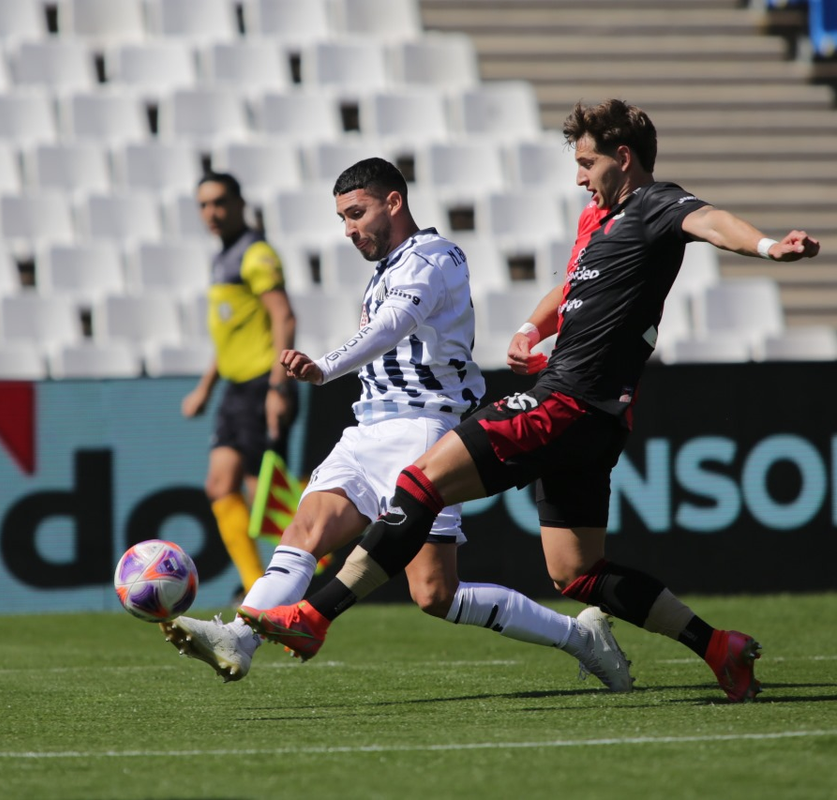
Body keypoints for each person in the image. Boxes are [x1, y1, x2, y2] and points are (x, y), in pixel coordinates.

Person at [239, 101, 822, 704]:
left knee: (419, 482)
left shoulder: (655, 206)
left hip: (566, 402)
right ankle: (718, 647)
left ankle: (314, 617)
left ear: (624, 158)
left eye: (587, 162)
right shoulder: (596, 219)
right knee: (577, 571)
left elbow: (713, 221)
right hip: (596, 418)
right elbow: (573, 286)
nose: (579, 176)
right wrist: (531, 326)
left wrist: (768, 246)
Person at [162, 157, 632, 694]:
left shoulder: (436, 257)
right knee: (304, 532)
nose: (349, 230)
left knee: (435, 593)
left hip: (424, 432)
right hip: (366, 430)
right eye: (342, 219)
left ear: (394, 202)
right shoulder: (385, 270)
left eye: (357, 214)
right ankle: (239, 640)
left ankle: (582, 638)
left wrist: (325, 366)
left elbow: (394, 325)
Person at [182, 172, 297, 603]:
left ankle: (314, 558)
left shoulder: (255, 253)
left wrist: (278, 388)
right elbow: (232, 335)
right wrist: (205, 388)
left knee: (264, 497)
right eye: (203, 205)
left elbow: (283, 317)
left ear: (239, 203)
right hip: (235, 389)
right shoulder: (223, 258)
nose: (211, 213)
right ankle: (256, 588)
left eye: (219, 202)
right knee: (220, 485)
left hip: (261, 385)